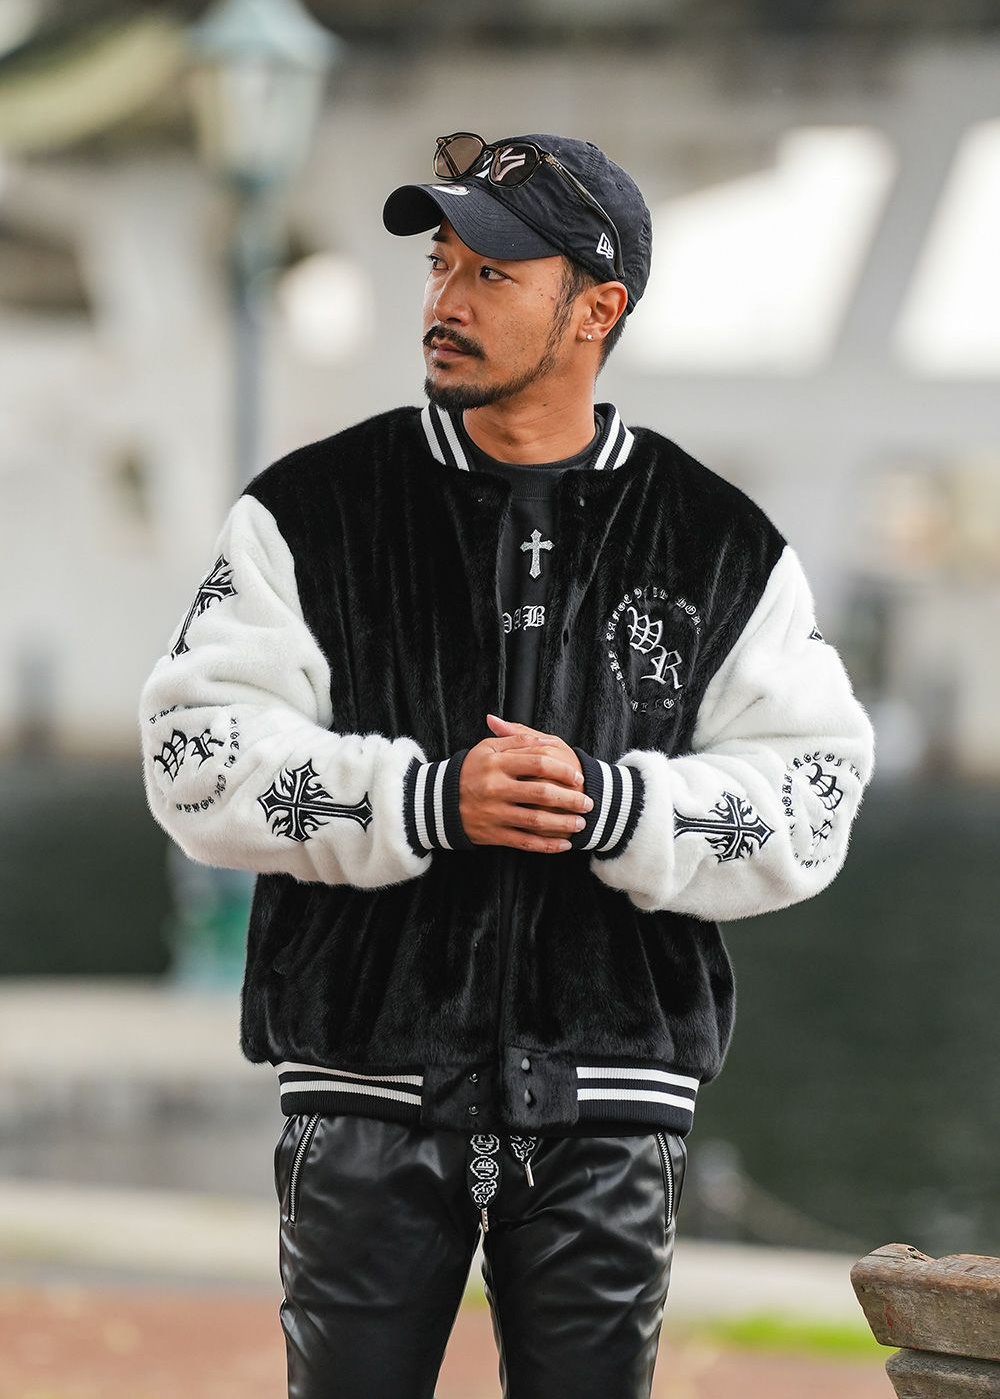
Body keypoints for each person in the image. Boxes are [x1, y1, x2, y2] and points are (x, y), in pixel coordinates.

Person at [138, 131, 876, 1399]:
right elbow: (193, 753)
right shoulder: (310, 509)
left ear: (596, 308)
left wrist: (617, 805)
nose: (445, 300)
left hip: (614, 1095)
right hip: (363, 1081)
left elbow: (813, 793)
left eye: (491, 274)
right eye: (440, 264)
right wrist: (425, 799)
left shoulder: (716, 539)